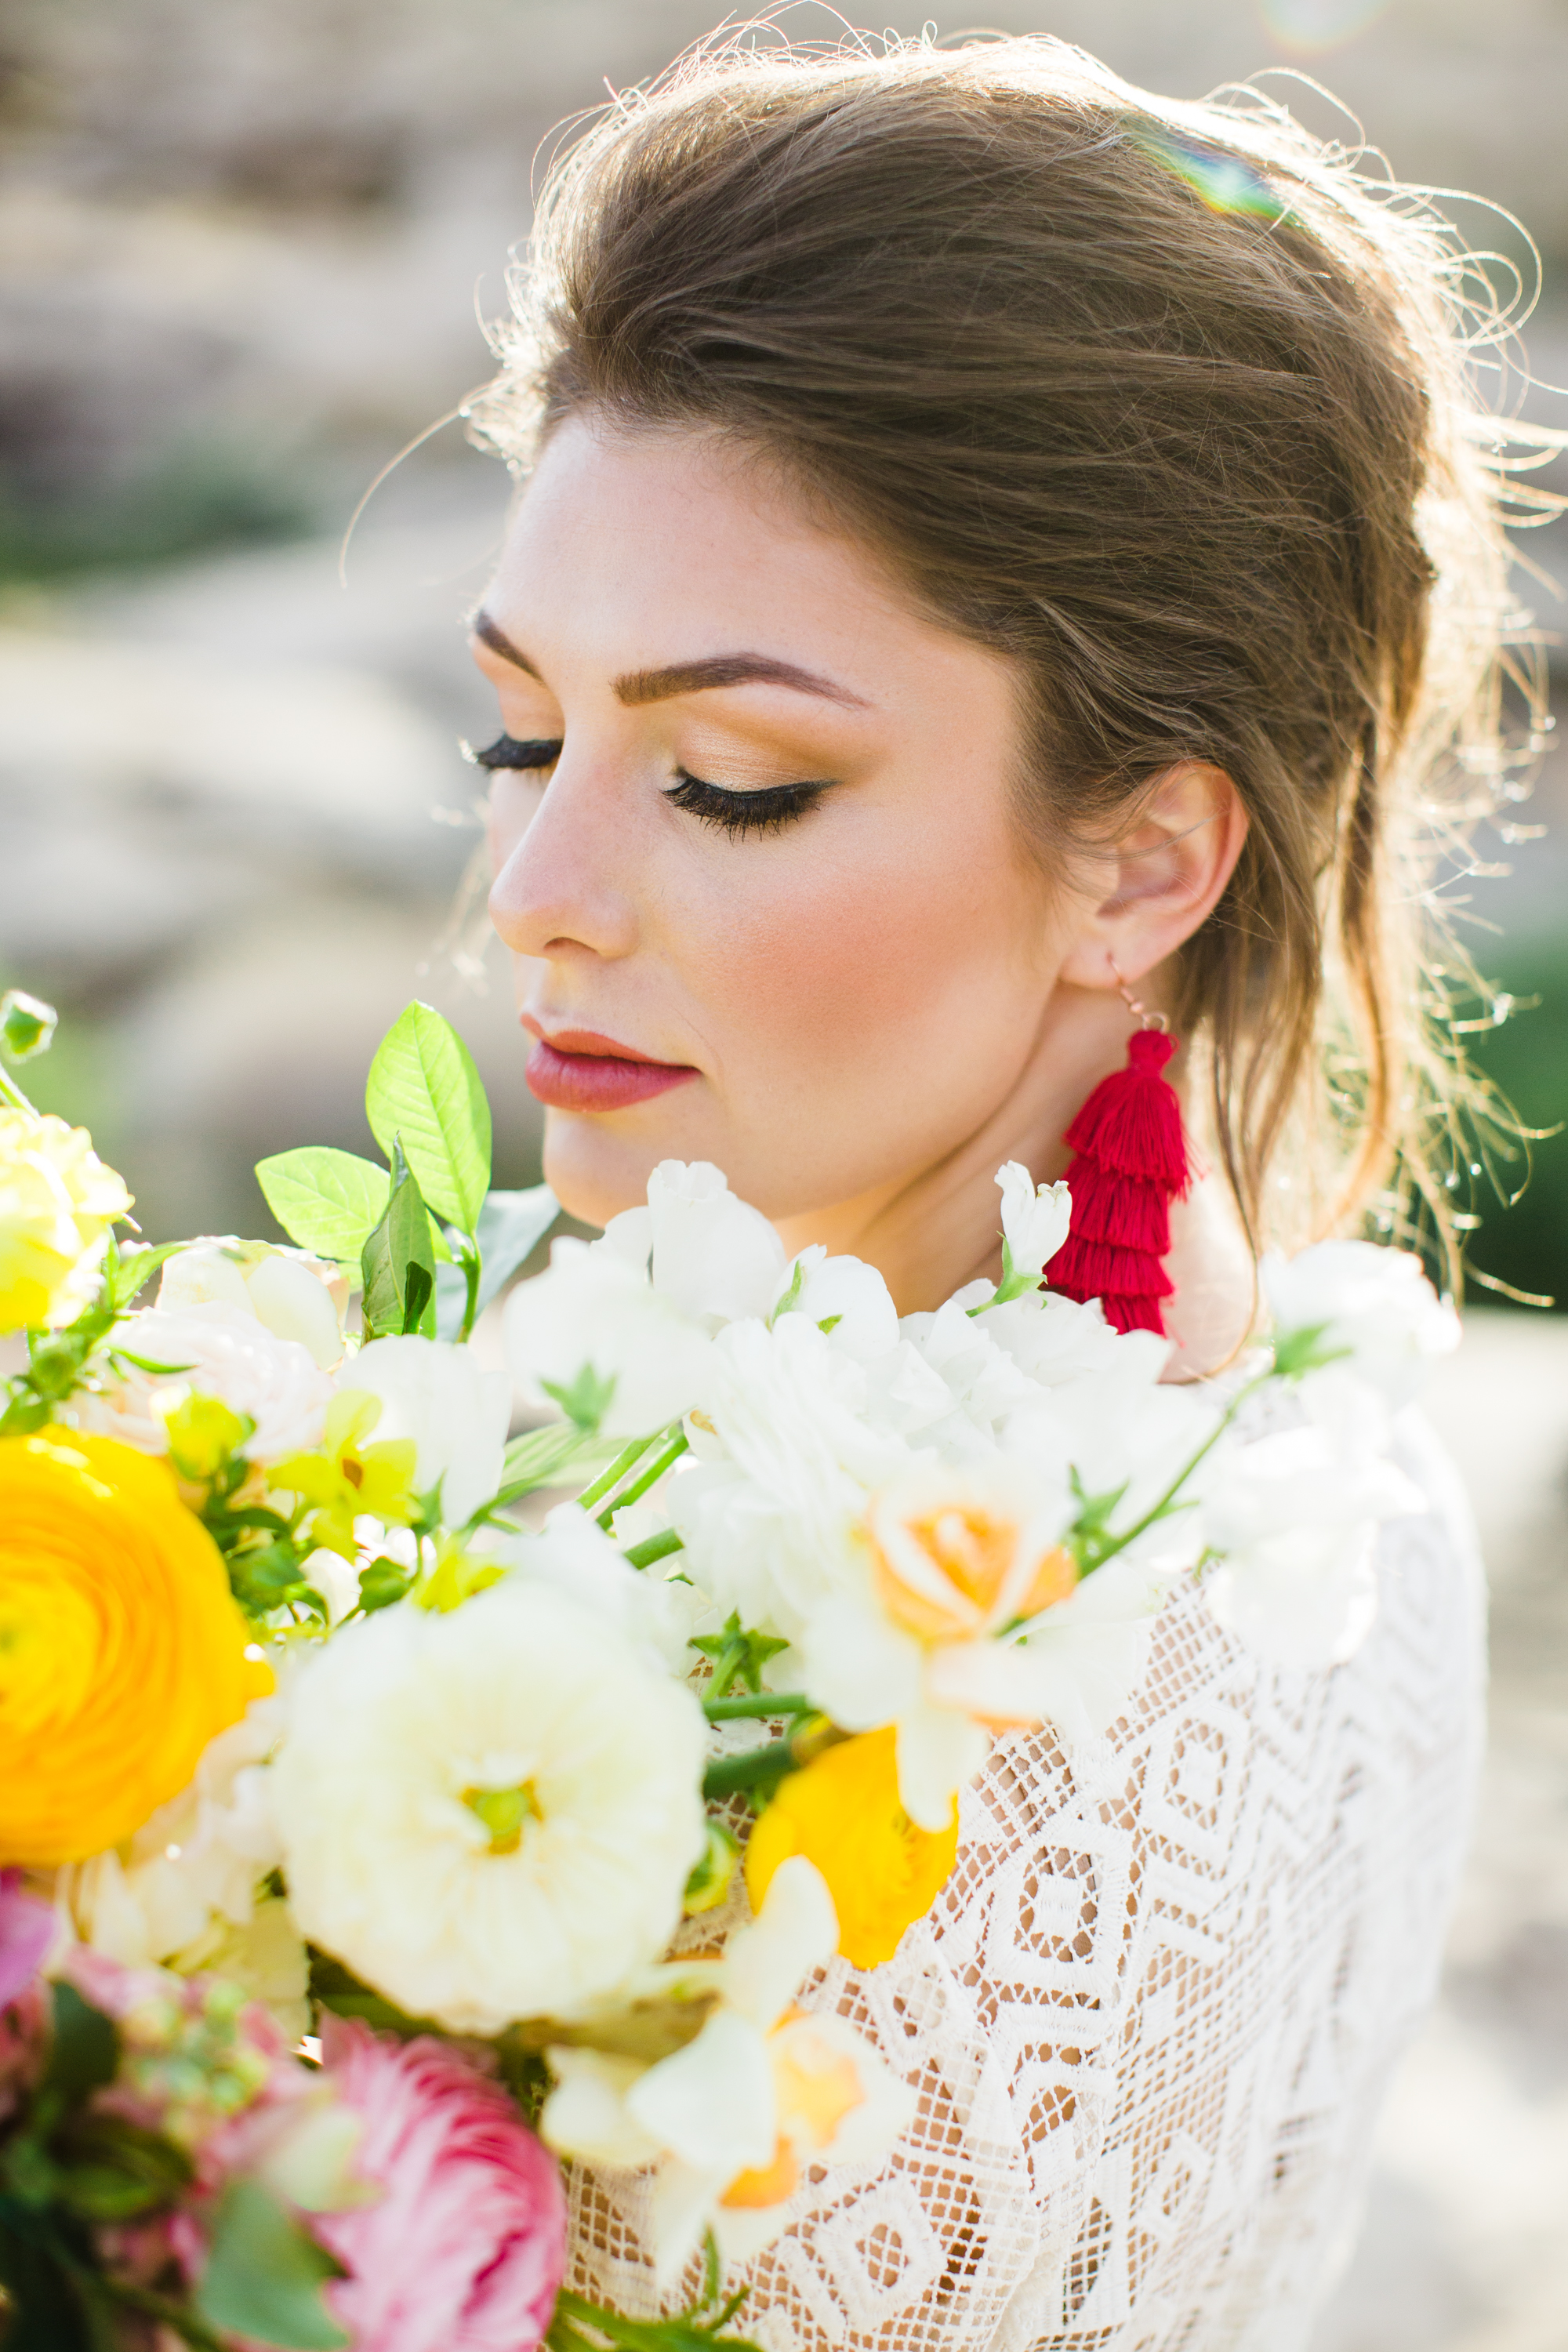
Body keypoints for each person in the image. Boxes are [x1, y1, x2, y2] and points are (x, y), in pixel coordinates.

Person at [463, 31, 1535, 2348]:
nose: (534, 890)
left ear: (1141, 856)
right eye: (524, 733)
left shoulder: (997, 1753)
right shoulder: (1307, 1447)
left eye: (732, 780)